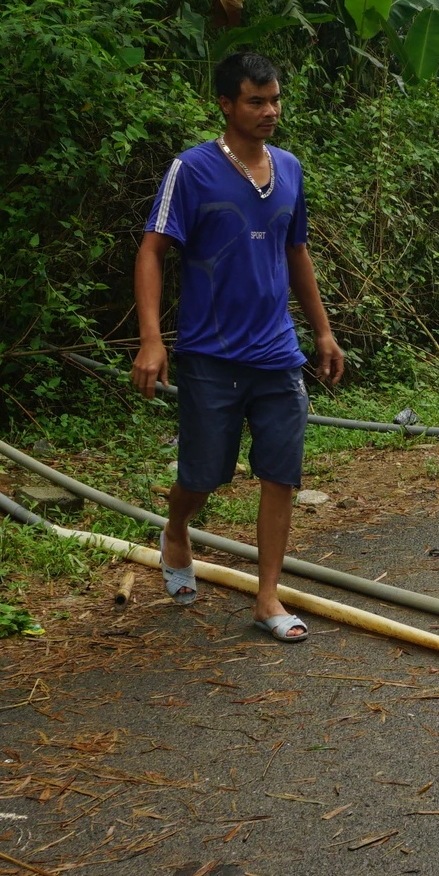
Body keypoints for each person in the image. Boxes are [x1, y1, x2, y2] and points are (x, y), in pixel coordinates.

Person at [131, 52, 346, 642]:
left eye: (274, 99)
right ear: (226, 104)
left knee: (282, 473)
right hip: (211, 355)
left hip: (278, 354)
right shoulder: (191, 170)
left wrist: (322, 331)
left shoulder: (290, 169)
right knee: (204, 475)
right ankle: (177, 529)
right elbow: (152, 252)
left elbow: (295, 251)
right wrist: (153, 341)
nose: (269, 111)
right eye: (255, 101)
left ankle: (267, 597)